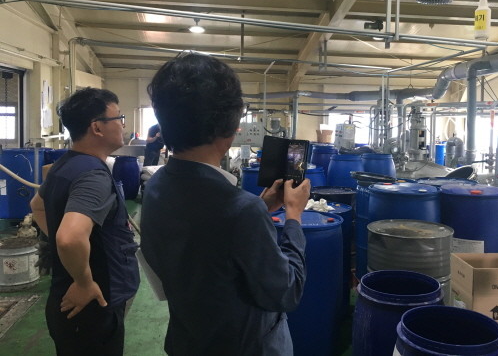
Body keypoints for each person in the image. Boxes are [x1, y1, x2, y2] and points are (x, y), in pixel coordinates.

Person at [141, 51, 310, 355]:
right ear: (229, 128)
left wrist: (260, 207)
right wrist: (294, 216)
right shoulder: (240, 211)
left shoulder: (155, 187)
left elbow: (204, 243)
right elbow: (287, 292)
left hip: (189, 340)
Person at [30, 88, 140, 356]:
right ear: (97, 127)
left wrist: (68, 253)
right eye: (119, 118)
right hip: (91, 307)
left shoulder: (66, 164)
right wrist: (83, 282)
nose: (123, 125)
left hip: (67, 302)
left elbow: (37, 206)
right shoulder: (92, 176)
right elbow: (69, 238)